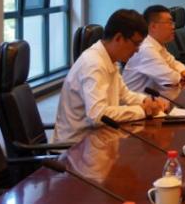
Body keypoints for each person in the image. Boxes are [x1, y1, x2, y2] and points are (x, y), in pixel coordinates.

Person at [54, 9, 167, 144]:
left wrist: (146, 101)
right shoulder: (93, 64)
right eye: (136, 44)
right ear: (118, 38)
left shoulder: (110, 59)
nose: (137, 50)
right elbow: (98, 115)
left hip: (98, 138)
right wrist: (142, 111)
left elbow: (125, 95)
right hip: (74, 148)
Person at [122, 4, 185, 100]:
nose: (173, 27)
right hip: (137, 105)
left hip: (154, 101)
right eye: (169, 23)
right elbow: (171, 80)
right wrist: (180, 78)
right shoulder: (146, 49)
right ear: (153, 26)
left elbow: (173, 62)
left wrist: (183, 71)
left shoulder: (157, 44)